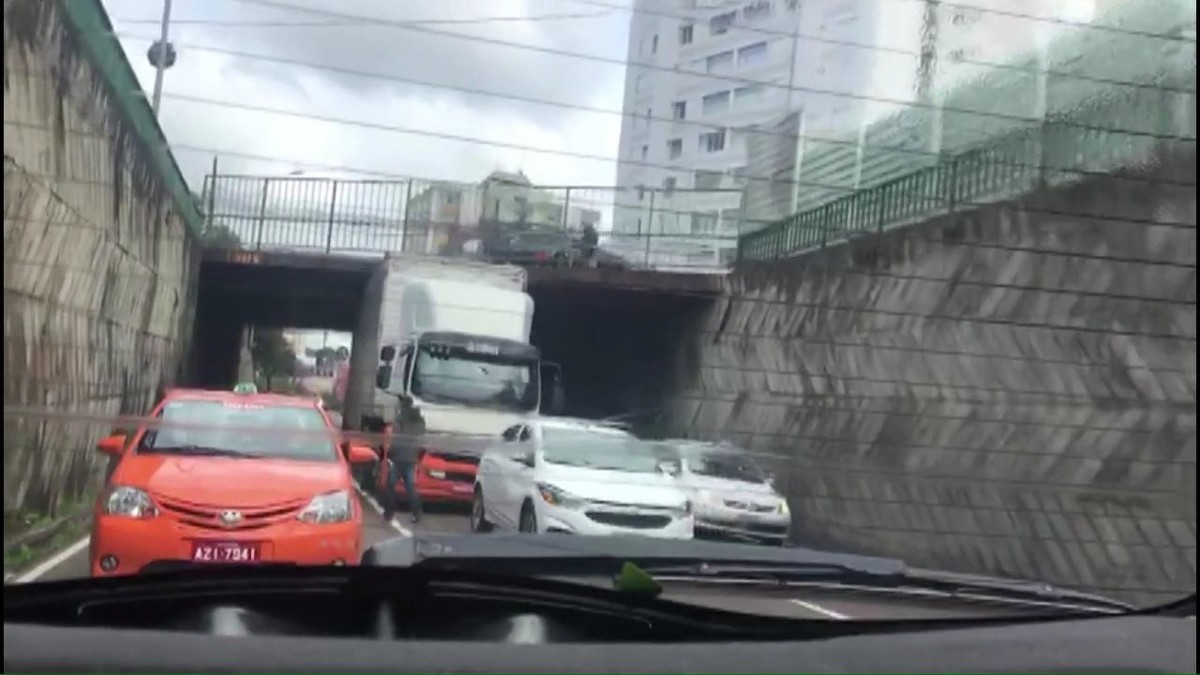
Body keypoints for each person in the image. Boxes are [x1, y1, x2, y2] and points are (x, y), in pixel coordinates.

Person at [381, 396, 424, 524]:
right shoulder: (419, 420)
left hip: (399, 457)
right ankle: (417, 513)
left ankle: (389, 513)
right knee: (410, 487)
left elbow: (396, 439)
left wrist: (390, 454)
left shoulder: (400, 420)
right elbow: (421, 439)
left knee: (391, 485)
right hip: (411, 458)